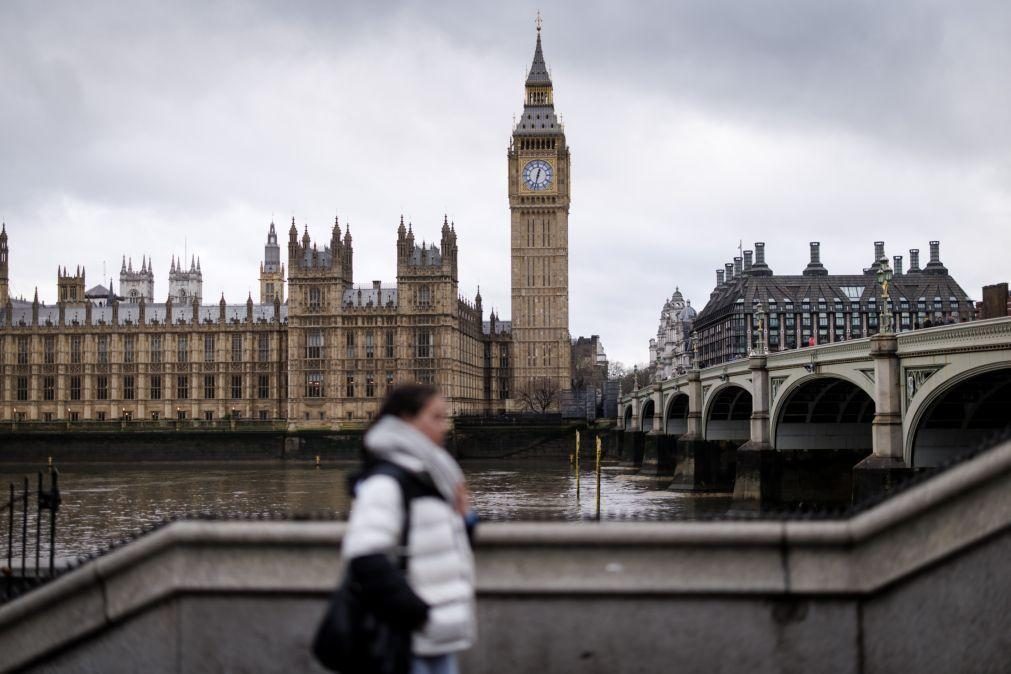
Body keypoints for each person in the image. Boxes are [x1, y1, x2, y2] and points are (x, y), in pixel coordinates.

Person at [341, 384, 476, 674]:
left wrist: (465, 519)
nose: (446, 427)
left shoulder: (435, 473)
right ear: (406, 419)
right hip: (406, 634)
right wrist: (416, 612)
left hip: (438, 637)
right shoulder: (386, 480)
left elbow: (442, 543)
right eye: (436, 417)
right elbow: (364, 555)